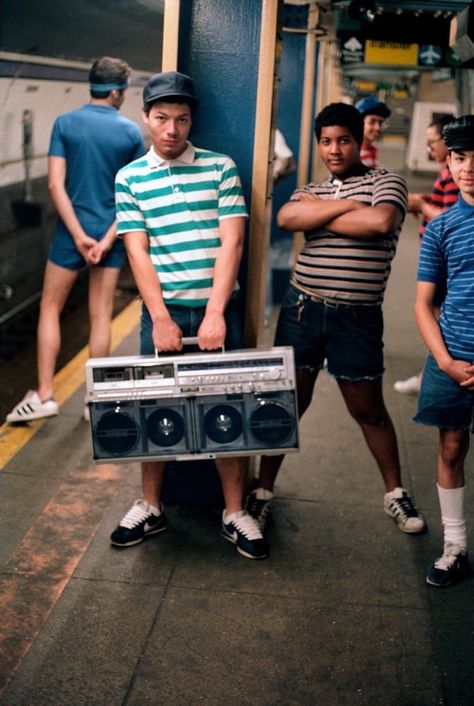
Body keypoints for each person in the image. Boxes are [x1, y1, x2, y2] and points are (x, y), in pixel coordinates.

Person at [245, 102, 425, 536]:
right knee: (287, 404)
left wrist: (323, 212)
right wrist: (349, 210)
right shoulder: (310, 187)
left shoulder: (388, 183)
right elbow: (288, 216)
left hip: (356, 318)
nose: (334, 150)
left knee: (369, 410)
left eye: (343, 140)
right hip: (303, 309)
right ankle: (263, 492)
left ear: (359, 140)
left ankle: (395, 494)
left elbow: (380, 222)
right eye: (325, 142)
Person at [111, 71, 269, 560]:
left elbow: (233, 242)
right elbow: (138, 252)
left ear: (191, 119)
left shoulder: (221, 168)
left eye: (181, 119)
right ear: (146, 118)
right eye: (162, 118)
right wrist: (159, 316)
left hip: (217, 307)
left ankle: (233, 511)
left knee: (227, 408)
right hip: (164, 309)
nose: (172, 129)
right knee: (155, 407)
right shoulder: (130, 177)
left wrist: (217, 312)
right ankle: (151, 505)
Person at [6, 56, 145, 424]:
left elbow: (55, 184)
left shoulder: (64, 123)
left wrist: (80, 236)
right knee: (101, 315)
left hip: (71, 235)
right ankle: (93, 399)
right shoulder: (131, 133)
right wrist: (105, 238)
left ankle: (46, 395)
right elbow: (133, 194)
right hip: (110, 234)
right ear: (116, 92)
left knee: (50, 309)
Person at [414, 115, 474, 587]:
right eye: (459, 157)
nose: (468, 167)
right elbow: (422, 303)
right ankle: (455, 545)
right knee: (451, 446)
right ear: (449, 162)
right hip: (452, 356)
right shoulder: (442, 229)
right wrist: (447, 361)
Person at [394, 114, 459, 395]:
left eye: (433, 143)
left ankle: (434, 375)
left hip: (446, 260)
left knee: (439, 320)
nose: (429, 149)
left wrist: (421, 205)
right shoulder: (446, 173)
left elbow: (454, 220)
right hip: (439, 256)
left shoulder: (455, 175)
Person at [355, 96, 391, 168]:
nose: (378, 128)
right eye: (372, 122)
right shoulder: (353, 157)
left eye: (380, 123)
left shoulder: (369, 151)